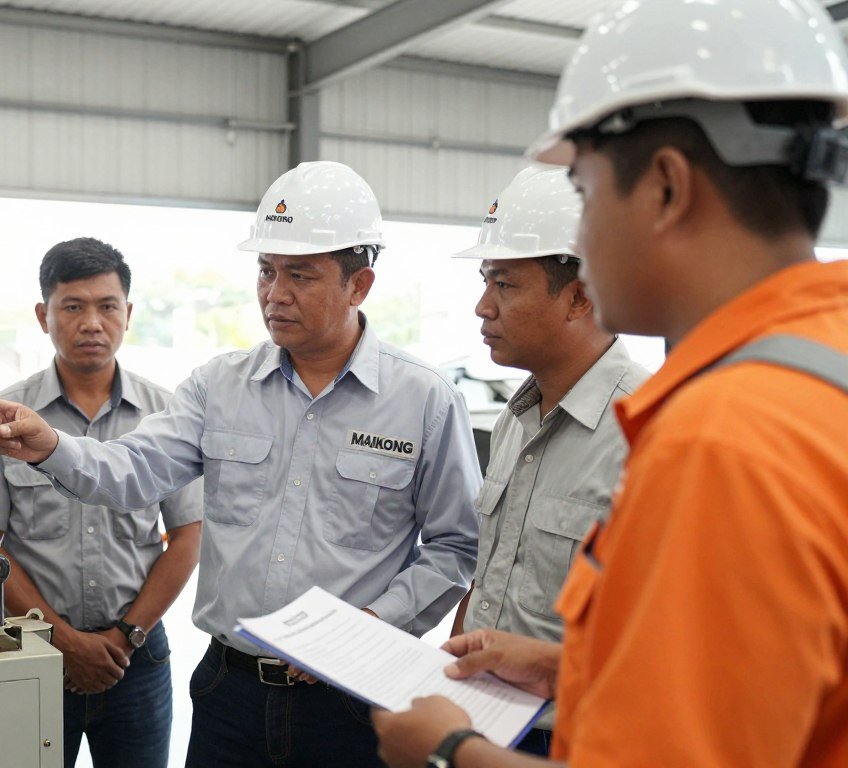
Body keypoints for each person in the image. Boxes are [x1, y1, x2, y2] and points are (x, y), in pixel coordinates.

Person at [370, 1, 848, 766]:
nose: (584, 244)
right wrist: (566, 665)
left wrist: (449, 746)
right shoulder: (817, 367)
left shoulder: (722, 442)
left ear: (665, 187)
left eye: (586, 196)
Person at [0, 160, 482, 767]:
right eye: (266, 271)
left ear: (359, 285)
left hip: (353, 697)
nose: (275, 293)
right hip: (228, 691)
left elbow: (456, 545)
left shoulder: (423, 401)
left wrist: (370, 623)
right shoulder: (220, 387)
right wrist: (52, 446)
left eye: (300, 275)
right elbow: (131, 468)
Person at [0, 237, 203, 768]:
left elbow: (188, 537)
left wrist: (127, 636)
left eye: (107, 306)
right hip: (34, 650)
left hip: (137, 658)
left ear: (128, 314)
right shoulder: (2, 420)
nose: (92, 323)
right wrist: (62, 641)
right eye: (73, 306)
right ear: (44, 316)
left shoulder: (168, 416)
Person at [447, 165, 649, 756]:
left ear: (578, 297)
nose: (483, 307)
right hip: (483, 719)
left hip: (578, 738)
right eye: (486, 282)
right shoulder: (517, 416)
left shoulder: (647, 431)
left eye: (505, 285)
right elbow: (494, 567)